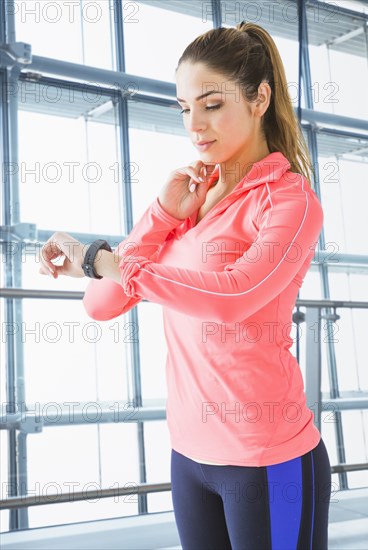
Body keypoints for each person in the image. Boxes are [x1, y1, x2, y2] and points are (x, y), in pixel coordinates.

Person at [39, 21, 332, 550]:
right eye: (183, 108)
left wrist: (100, 260)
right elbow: (101, 304)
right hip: (190, 456)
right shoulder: (190, 201)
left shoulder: (291, 202)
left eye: (212, 104)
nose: (195, 125)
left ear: (260, 97)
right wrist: (160, 216)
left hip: (266, 456)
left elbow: (232, 297)